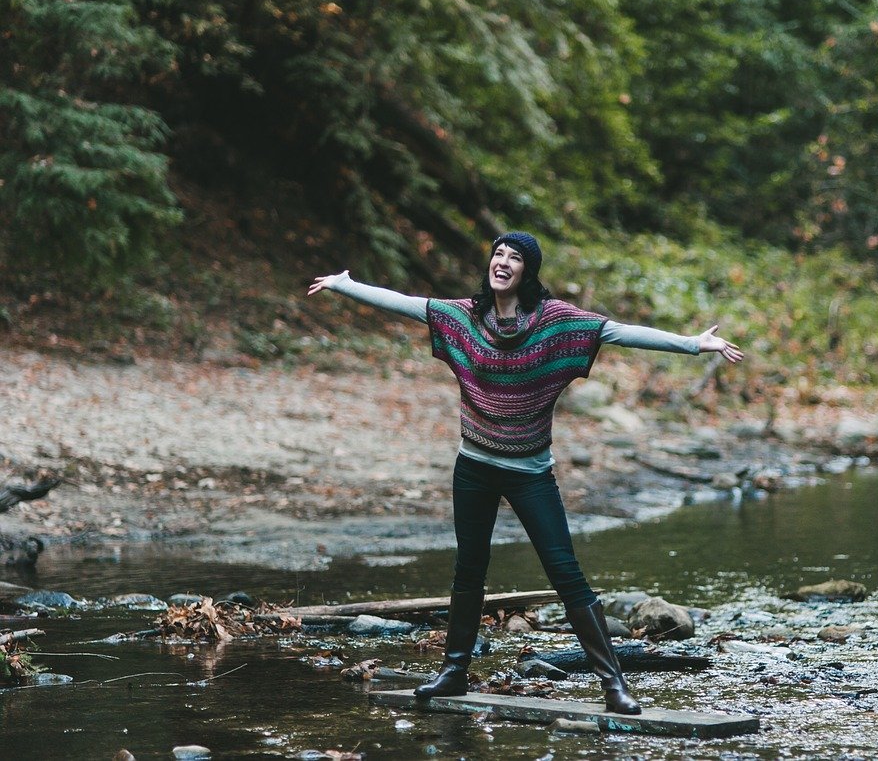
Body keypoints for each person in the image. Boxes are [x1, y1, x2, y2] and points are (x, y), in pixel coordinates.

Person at [308, 231, 743, 715]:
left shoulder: (554, 322)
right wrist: (346, 285)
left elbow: (614, 331)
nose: (503, 262)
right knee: (469, 570)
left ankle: (613, 684)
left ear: (527, 271)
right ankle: (454, 671)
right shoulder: (464, 316)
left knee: (566, 573)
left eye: (515, 258)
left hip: (530, 473)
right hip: (473, 467)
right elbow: (405, 303)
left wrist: (692, 344)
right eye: (498, 253)